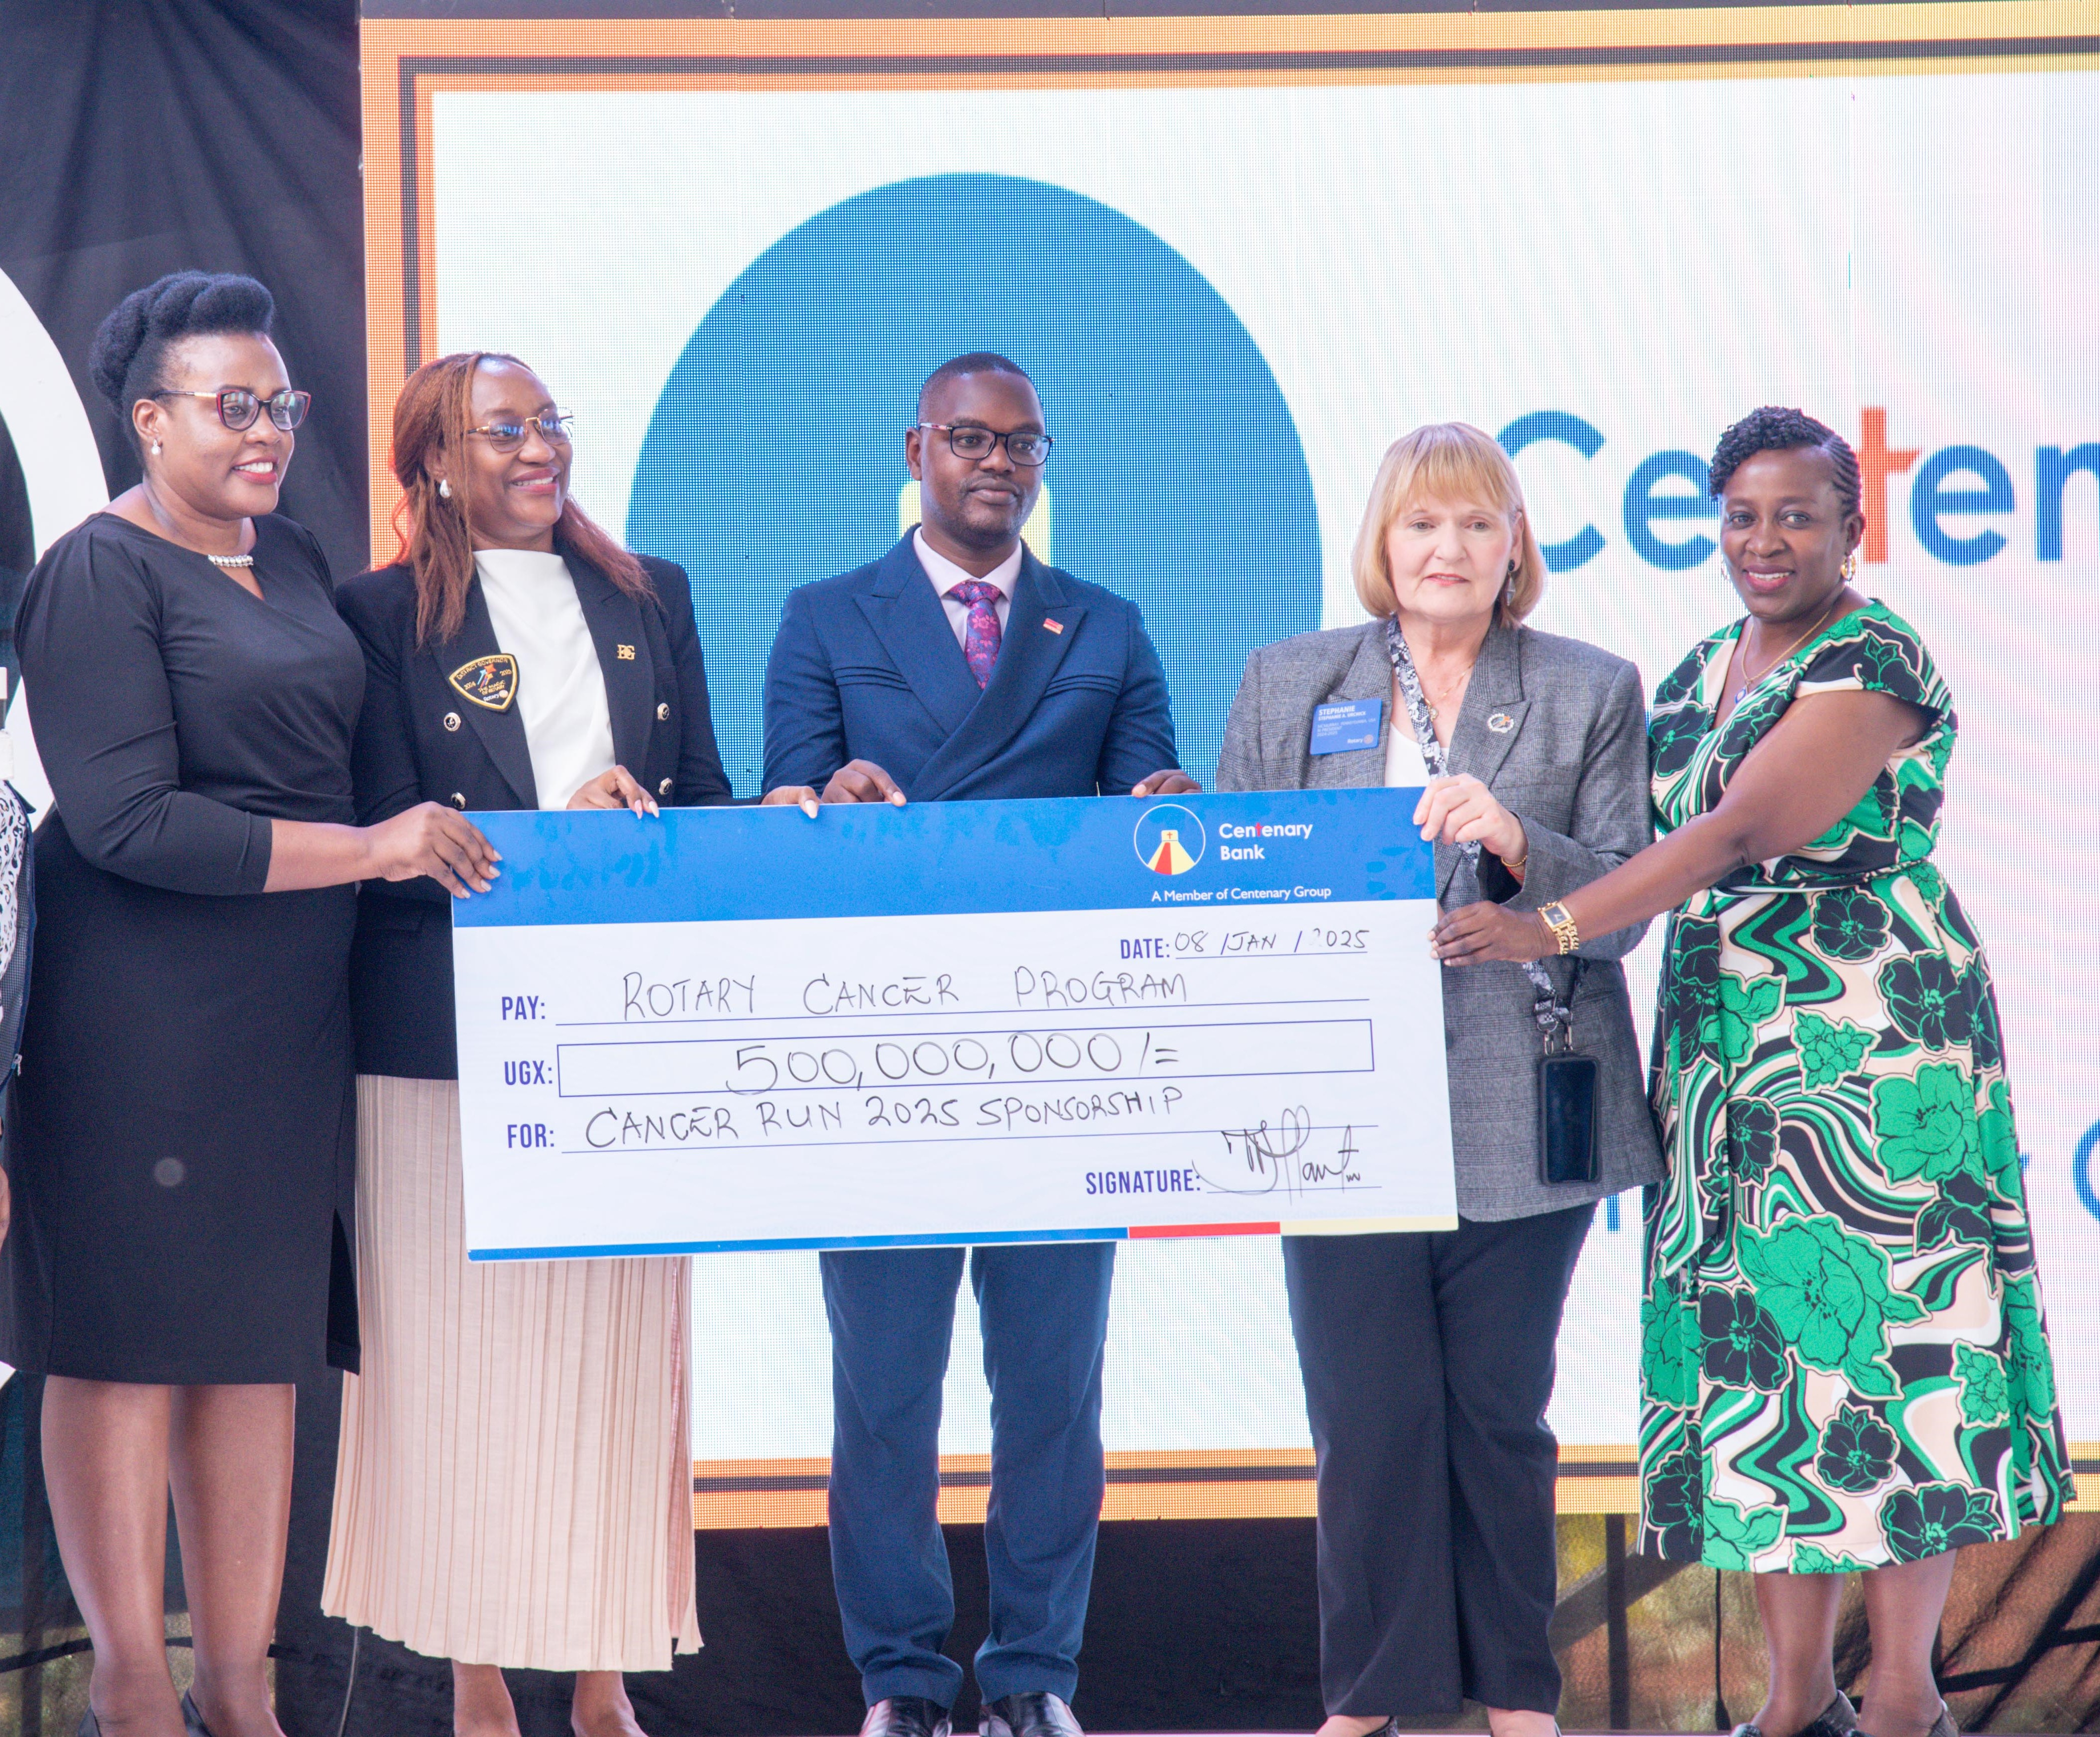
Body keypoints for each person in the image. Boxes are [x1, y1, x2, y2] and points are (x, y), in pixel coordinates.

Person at [1432, 408, 2074, 1737]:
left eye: (1796, 515)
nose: (1764, 540)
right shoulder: (1696, 670)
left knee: (1892, 1352)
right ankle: (1795, 1702)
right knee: (1764, 1363)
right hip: (1725, 1047)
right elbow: (1625, 845)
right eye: (1741, 516)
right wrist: (1505, 844)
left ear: (1852, 528)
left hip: (1872, 1046)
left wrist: (1550, 925)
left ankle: (1903, 1699)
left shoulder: (1872, 657)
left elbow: (1740, 831)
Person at [0, 272, 495, 1737]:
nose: (269, 430)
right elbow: (129, 821)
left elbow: (360, 770)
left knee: (252, 1353)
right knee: (122, 1348)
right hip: (133, 1020)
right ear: (149, 420)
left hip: (287, 1019)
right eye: (234, 404)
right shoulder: (98, 571)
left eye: (281, 403)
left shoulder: (292, 561)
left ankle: (241, 1693)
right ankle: (134, 1696)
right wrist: (373, 849)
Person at [322, 350, 813, 1737]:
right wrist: (554, 840)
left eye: (549, 423)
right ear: (435, 462)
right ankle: (476, 1682)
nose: (540, 447)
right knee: (455, 1371)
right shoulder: (375, 617)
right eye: (504, 429)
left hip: (626, 1036)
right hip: (435, 1044)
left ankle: (603, 1684)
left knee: (613, 1370)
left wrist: (780, 815)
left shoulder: (650, 594)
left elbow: (694, 797)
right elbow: (385, 837)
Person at [763, 352, 1195, 1737]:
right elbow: (780, 810)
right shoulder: (824, 616)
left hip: (1059, 1059)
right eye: (970, 438)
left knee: (1052, 1395)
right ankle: (898, 1678)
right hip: (880, 1054)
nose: (998, 461)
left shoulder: (1106, 627)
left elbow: (1146, 823)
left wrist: (1168, 806)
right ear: (917, 451)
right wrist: (817, 795)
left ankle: (1034, 1675)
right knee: (885, 1394)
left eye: (1022, 442)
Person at [1216, 422, 1662, 1737]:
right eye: (1422, 523)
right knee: (1368, 1418)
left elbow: (1629, 904)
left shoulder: (1588, 687)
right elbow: (1233, 882)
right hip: (1335, 1108)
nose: (1448, 548)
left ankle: (1514, 1694)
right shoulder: (1290, 680)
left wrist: (1520, 841)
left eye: (1476, 523)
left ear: (1514, 544)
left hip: (1527, 1098)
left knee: (1496, 1412)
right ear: (1383, 542)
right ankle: (1373, 1696)